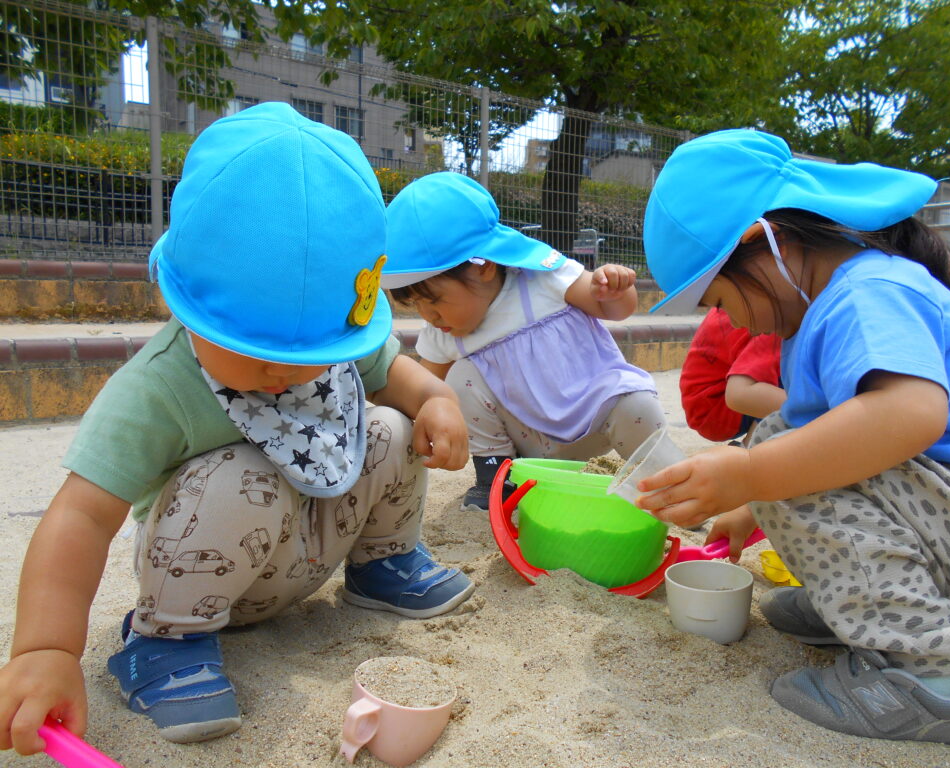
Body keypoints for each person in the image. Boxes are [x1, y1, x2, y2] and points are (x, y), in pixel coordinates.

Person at [0, 103, 475, 755]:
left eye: (311, 356)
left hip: (313, 550)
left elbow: (394, 371)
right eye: (258, 354)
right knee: (242, 474)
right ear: (185, 304)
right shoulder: (158, 387)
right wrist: (46, 647)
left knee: (391, 426)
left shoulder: (328, 339)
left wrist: (437, 400)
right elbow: (80, 515)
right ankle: (162, 646)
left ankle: (383, 566)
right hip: (202, 581)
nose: (288, 375)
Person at [639, 128, 950, 754]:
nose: (727, 322)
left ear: (762, 240)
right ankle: (876, 609)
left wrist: (750, 476)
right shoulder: (826, 310)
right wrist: (749, 504)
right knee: (782, 449)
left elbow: (908, 414)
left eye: (718, 299)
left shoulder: (867, 290)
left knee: (778, 444)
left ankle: (938, 678)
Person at [381, 172, 665, 510]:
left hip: (597, 414)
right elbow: (421, 390)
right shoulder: (444, 333)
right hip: (529, 445)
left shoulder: (544, 280)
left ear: (482, 267)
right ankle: (496, 481)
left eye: (434, 300)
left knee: (637, 403)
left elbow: (615, 310)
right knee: (459, 379)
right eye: (415, 305)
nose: (428, 316)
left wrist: (617, 288)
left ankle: (666, 479)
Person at [679, 306, 784, 443]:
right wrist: (813, 407)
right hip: (718, 409)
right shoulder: (772, 319)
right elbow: (740, 394)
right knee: (796, 368)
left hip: (703, 404)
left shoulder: (736, 301)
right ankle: (751, 449)